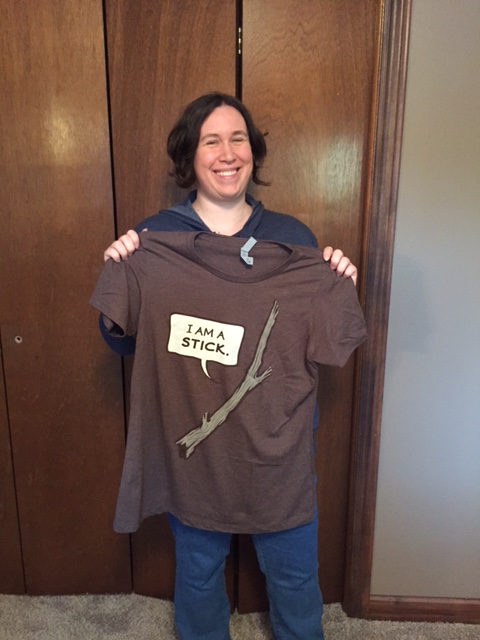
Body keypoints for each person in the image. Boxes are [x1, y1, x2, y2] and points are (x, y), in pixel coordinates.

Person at [94, 93, 365, 640]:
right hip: (193, 454)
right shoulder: (155, 240)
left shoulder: (295, 241)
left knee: (294, 576)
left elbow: (331, 341)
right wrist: (121, 273)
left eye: (238, 138)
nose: (227, 152)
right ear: (190, 156)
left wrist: (338, 283)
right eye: (210, 141)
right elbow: (124, 342)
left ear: (253, 151)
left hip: (278, 453)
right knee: (197, 574)